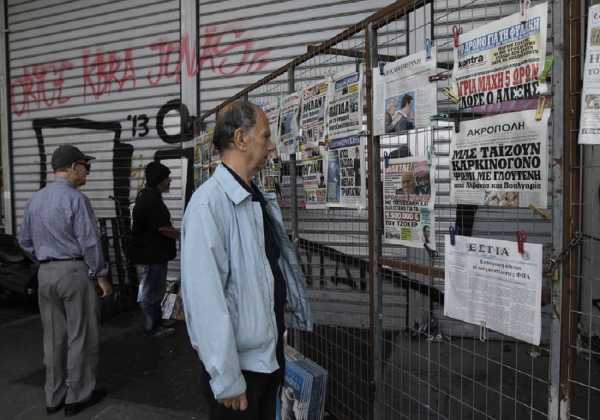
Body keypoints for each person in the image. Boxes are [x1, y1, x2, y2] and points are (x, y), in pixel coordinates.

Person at [181, 100, 312, 420]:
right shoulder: (208, 206)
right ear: (241, 139)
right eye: (266, 136)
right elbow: (204, 301)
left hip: (267, 358)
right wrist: (226, 379)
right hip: (240, 372)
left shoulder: (253, 197)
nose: (271, 146)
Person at [18, 144, 111, 417]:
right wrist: (100, 275)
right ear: (73, 167)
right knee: (80, 335)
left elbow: (24, 240)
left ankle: (53, 396)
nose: (87, 172)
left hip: (45, 274)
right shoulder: (76, 199)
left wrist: (45, 259)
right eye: (86, 166)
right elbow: (90, 243)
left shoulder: (35, 200)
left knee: (53, 338)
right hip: (73, 272)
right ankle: (77, 396)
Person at [129, 161, 179, 337]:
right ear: (160, 180)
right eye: (167, 178)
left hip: (154, 254)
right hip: (150, 256)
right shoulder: (151, 200)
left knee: (156, 290)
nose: (170, 181)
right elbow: (163, 228)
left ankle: (158, 322)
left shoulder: (150, 196)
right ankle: (152, 328)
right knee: (150, 292)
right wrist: (183, 236)